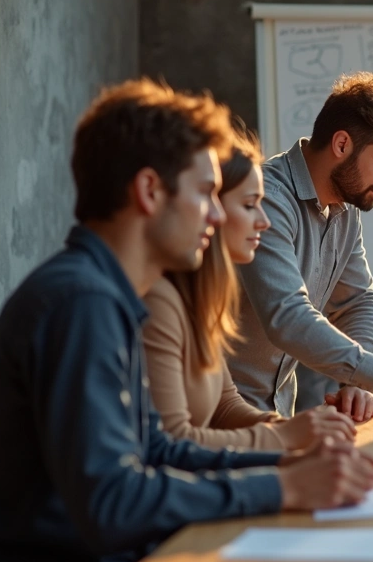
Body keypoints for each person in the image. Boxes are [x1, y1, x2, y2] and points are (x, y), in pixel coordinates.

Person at [0, 79, 373, 562]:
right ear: (148, 191)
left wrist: (291, 468)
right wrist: (285, 487)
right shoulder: (83, 303)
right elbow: (112, 504)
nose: (215, 213)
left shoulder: (107, 294)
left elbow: (157, 450)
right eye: (206, 193)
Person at [228, 72, 373, 421]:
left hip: (274, 419)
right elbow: (286, 316)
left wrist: (359, 385)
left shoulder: (345, 208)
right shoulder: (268, 199)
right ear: (342, 145)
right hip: (217, 417)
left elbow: (357, 302)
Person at [144, 128, 358, 450]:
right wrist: (286, 441)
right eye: (248, 205)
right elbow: (171, 445)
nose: (264, 221)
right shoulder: (159, 301)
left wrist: (303, 428)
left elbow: (226, 407)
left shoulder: (201, 300)